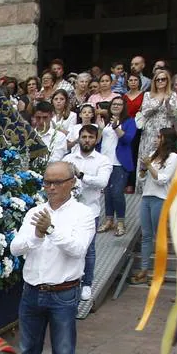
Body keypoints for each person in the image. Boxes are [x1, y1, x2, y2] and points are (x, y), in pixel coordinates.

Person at [9, 161, 94, 354]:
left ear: (71, 183)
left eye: (57, 182)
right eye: (47, 181)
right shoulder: (35, 211)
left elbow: (79, 249)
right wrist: (36, 234)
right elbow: (15, 248)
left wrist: (52, 230)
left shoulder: (83, 214)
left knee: (64, 353)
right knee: (27, 351)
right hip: (32, 291)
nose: (51, 187)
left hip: (63, 293)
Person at [65, 123, 111, 312]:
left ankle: (86, 284)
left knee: (88, 249)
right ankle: (70, 280)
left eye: (91, 137)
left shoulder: (103, 160)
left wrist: (81, 175)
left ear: (96, 139)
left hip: (90, 211)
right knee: (68, 246)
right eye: (84, 137)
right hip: (69, 210)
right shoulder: (69, 158)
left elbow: (102, 182)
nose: (87, 140)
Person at [131, 128, 177, 286]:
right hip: (147, 196)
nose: (156, 139)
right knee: (146, 236)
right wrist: (144, 170)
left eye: (160, 136)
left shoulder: (173, 157)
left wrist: (149, 166)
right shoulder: (153, 154)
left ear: (167, 139)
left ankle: (159, 274)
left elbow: (162, 180)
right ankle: (144, 270)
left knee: (159, 238)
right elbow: (142, 178)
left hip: (161, 198)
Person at [99, 96, 134, 235]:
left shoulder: (129, 122)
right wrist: (101, 129)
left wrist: (116, 127)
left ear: (124, 107)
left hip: (119, 162)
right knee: (107, 192)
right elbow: (99, 141)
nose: (116, 106)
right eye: (114, 104)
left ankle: (120, 222)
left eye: (119, 104)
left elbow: (127, 139)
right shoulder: (106, 121)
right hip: (105, 162)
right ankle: (108, 220)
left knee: (117, 192)